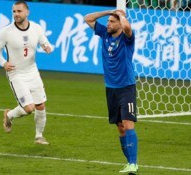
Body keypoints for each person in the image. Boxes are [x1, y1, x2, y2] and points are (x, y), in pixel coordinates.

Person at [84, 9, 139, 174]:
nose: (108, 24)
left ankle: (133, 164)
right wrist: (110, 12)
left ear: (120, 24)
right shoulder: (104, 34)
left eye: (112, 21)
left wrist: (121, 16)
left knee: (128, 124)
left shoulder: (127, 39)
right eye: (108, 21)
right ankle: (129, 163)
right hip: (110, 88)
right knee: (121, 128)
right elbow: (87, 18)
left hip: (126, 87)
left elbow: (128, 28)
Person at [0, 0, 53, 145]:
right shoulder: (6, 32)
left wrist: (47, 47)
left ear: (27, 12)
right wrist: (3, 63)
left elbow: (46, 43)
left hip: (32, 71)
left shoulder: (36, 28)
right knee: (28, 108)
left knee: (40, 106)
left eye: (19, 11)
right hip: (16, 73)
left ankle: (39, 136)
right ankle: (9, 115)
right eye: (14, 11)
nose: (16, 14)